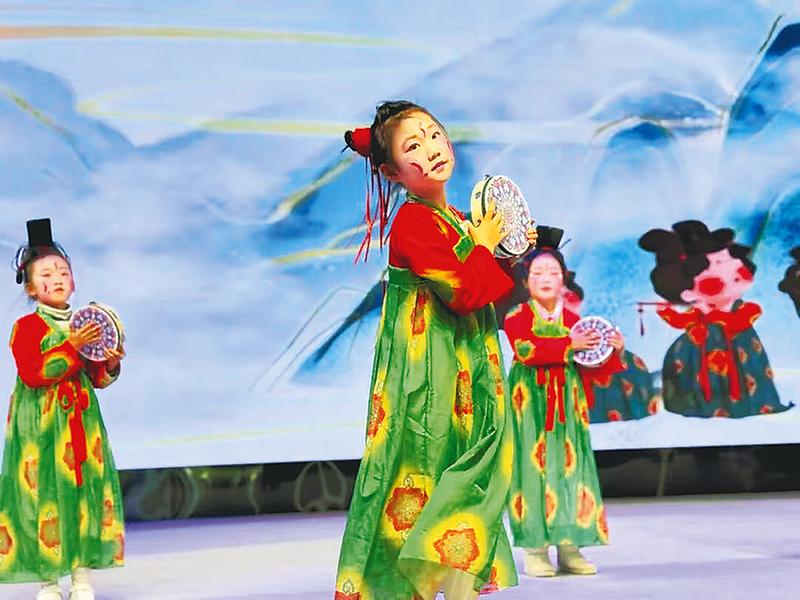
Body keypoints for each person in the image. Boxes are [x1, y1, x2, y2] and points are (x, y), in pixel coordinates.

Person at [334, 101, 535, 599]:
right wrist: (483, 244)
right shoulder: (413, 222)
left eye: (433, 134)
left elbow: (480, 284)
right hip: (429, 367)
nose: (430, 148)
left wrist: (507, 248)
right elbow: (462, 291)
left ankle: (456, 587)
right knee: (426, 469)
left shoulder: (453, 217)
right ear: (391, 172)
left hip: (464, 359)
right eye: (412, 145)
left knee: (469, 465)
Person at [0, 219, 125, 600]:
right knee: (44, 496)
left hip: (80, 423)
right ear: (30, 287)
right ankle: (49, 582)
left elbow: (96, 378)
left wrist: (110, 362)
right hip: (40, 425)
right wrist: (73, 345)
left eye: (63, 272)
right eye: (46, 274)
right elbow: (35, 373)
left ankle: (81, 578)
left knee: (83, 494)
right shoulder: (26, 327)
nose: (57, 279)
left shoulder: (84, 322)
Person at [503, 226, 617, 577]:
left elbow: (594, 367)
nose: (545, 278)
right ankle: (535, 549)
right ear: (526, 281)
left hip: (567, 404)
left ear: (564, 279)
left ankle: (571, 546)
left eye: (553, 272)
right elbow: (526, 350)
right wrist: (570, 345)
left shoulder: (575, 322)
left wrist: (613, 348)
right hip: (529, 405)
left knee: (572, 469)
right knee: (531, 469)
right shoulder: (517, 317)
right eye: (538, 272)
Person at [639, 220, 791, 417]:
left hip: (739, 349)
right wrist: (664, 311)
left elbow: (746, 318)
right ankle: (704, 407)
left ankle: (748, 405)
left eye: (736, 276)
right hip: (699, 353)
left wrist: (723, 318)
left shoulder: (739, 308)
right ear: (688, 291)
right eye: (713, 283)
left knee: (746, 374)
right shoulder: (699, 314)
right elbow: (680, 321)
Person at [562, 272, 659, 423]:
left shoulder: (586, 326)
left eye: (568, 297)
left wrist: (615, 347)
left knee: (629, 364)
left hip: (594, 369)